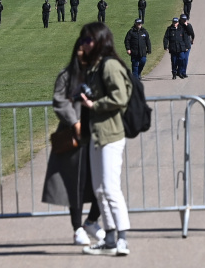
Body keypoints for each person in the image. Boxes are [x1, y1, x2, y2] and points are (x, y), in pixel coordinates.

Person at [43, 23, 103, 247]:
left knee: (102, 183)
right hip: (74, 135)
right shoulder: (67, 75)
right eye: (79, 49)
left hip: (97, 133)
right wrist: (75, 121)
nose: (83, 53)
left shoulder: (99, 72)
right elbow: (59, 101)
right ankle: (77, 227)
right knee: (75, 183)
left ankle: (92, 221)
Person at [78, 24, 134, 256]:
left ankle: (122, 238)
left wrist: (94, 105)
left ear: (100, 41)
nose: (84, 43)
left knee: (111, 188)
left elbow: (121, 96)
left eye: (88, 40)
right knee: (99, 189)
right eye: (83, 39)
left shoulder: (110, 65)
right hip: (96, 133)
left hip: (111, 133)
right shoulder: (93, 67)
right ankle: (109, 237)